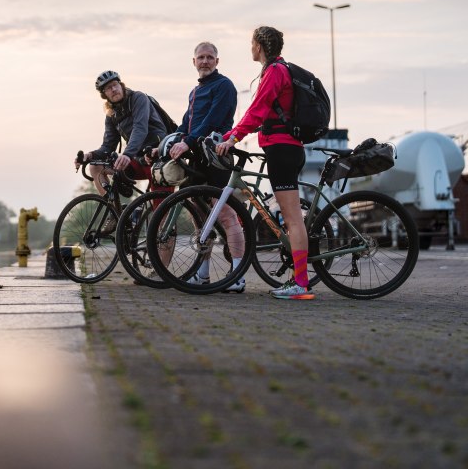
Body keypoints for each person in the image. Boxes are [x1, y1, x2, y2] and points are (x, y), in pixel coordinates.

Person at [216, 26, 315, 300]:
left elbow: (257, 111)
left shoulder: (275, 72)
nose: (250, 48)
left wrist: (233, 138)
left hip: (283, 149)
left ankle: (301, 285)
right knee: (291, 218)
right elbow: (256, 112)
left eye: (251, 43)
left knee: (293, 220)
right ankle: (300, 280)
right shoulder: (278, 70)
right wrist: (228, 136)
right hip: (282, 148)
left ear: (259, 45)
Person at [168, 42, 246, 293]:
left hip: (217, 156)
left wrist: (188, 141)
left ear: (217, 61)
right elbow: (185, 125)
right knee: (200, 218)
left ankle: (238, 275)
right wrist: (168, 144)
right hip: (196, 159)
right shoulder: (194, 92)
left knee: (225, 215)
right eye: (200, 57)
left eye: (209, 57)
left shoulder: (224, 86)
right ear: (194, 62)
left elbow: (213, 119)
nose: (205, 61)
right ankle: (202, 275)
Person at [79, 70, 170, 197]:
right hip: (137, 159)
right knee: (96, 167)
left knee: (160, 213)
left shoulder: (138, 98)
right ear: (104, 94)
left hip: (157, 157)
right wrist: (90, 156)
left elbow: (140, 128)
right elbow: (108, 146)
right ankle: (113, 211)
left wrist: (127, 154)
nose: (113, 89)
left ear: (121, 85)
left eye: (115, 85)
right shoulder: (111, 114)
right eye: (108, 88)